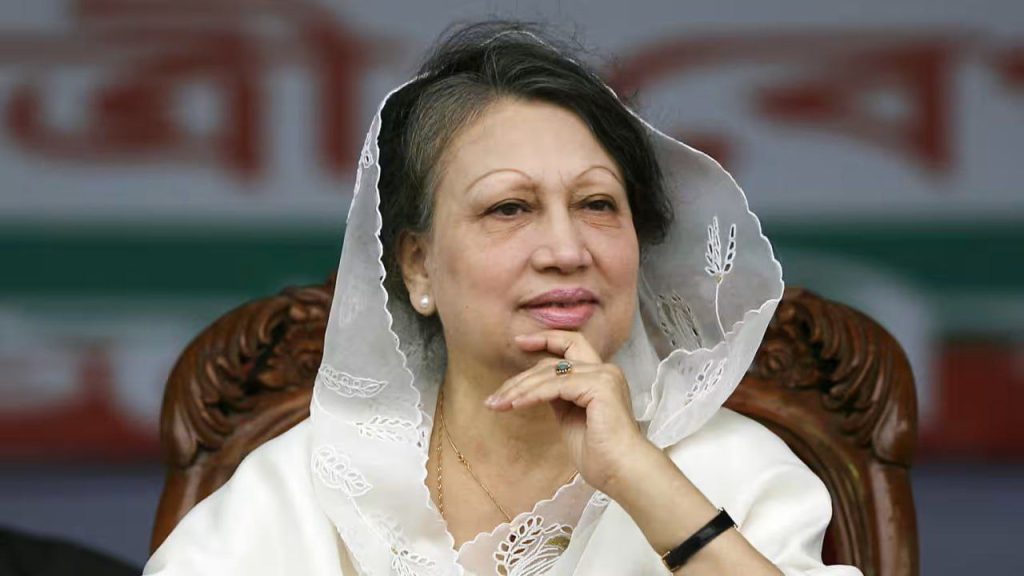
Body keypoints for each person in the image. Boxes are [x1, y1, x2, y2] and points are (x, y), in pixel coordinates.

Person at [144, 22, 862, 575]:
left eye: (597, 205)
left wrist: (641, 479)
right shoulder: (307, 484)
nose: (566, 250)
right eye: (509, 208)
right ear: (419, 268)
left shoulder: (733, 469)